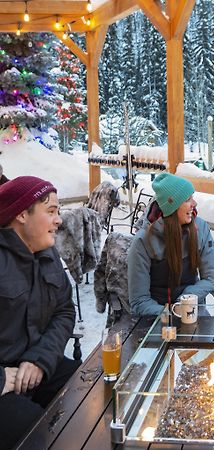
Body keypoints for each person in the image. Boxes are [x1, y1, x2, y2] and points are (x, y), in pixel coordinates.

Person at [0, 176, 79, 449]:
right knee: (41, 435)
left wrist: (39, 359)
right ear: (22, 214)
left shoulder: (48, 253)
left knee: (90, 395)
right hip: (4, 384)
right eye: (51, 211)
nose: (59, 220)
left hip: (39, 366)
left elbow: (65, 311)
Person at [128, 173, 214, 316]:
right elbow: (139, 300)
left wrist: (187, 298)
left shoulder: (200, 228)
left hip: (193, 310)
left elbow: (212, 277)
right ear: (172, 206)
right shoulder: (143, 241)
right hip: (155, 316)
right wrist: (169, 314)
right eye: (187, 199)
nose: (194, 204)